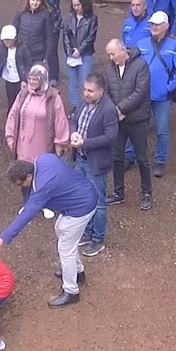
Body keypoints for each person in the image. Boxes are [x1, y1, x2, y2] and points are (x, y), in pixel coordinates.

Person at [0, 155, 99, 307]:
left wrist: (2, 239)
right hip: (82, 194)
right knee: (61, 230)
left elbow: (27, 215)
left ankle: (71, 291)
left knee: (65, 248)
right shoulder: (43, 159)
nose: (20, 186)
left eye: (21, 183)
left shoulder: (42, 186)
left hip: (81, 207)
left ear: (29, 175)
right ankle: (78, 271)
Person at [69, 72, 120, 257]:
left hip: (95, 163)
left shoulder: (108, 109)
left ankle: (98, 240)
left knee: (98, 203)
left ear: (101, 91)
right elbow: (74, 121)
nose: (86, 93)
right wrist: (73, 133)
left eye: (90, 91)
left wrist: (86, 143)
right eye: (84, 89)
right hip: (80, 159)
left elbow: (111, 136)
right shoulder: (84, 102)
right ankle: (88, 233)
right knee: (83, 198)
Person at [4, 64, 70, 203]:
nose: (32, 82)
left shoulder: (53, 97)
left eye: (35, 79)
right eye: (30, 79)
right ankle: (27, 202)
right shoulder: (23, 94)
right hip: (24, 144)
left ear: (43, 80)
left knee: (41, 172)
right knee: (24, 173)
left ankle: (44, 202)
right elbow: (13, 114)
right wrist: (10, 136)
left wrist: (60, 142)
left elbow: (60, 119)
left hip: (42, 144)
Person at [104, 39, 154, 211]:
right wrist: (114, 111)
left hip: (138, 119)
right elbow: (107, 91)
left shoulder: (140, 65)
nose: (111, 58)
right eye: (108, 54)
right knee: (117, 157)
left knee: (141, 157)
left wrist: (121, 108)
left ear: (123, 50)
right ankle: (118, 193)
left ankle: (146, 192)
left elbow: (140, 92)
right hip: (118, 121)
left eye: (112, 54)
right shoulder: (110, 68)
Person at [136, 11, 176, 178]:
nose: (154, 27)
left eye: (157, 24)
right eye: (152, 24)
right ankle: (132, 157)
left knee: (162, 129)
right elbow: (133, 65)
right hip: (142, 94)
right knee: (136, 127)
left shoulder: (175, 46)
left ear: (166, 26)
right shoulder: (142, 43)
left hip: (162, 97)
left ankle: (160, 161)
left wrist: (167, 88)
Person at [62, 0, 98, 113]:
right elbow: (65, 35)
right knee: (72, 83)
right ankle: (75, 107)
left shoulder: (92, 19)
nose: (76, 7)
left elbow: (91, 37)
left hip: (85, 54)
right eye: (74, 5)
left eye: (78, 5)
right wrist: (69, 50)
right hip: (71, 54)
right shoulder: (69, 18)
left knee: (84, 82)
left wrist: (80, 50)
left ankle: (84, 105)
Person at [13, 0, 57, 86]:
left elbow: (49, 38)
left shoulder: (45, 16)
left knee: (37, 83)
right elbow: (14, 31)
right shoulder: (21, 14)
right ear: (28, 0)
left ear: (41, 2)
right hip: (22, 53)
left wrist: (46, 57)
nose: (35, 3)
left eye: (38, 0)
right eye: (33, 0)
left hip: (38, 55)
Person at [0, 24, 24, 109]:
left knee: (21, 99)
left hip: (19, 77)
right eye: (5, 40)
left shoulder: (22, 49)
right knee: (11, 98)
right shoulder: (4, 48)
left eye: (9, 40)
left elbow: (27, 64)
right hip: (9, 78)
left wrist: (24, 79)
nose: (6, 42)